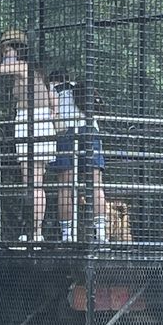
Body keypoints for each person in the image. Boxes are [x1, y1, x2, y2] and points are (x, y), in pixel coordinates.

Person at [0, 30, 57, 242]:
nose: (4, 54)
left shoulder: (21, 66)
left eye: (6, 50)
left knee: (32, 182)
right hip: (41, 123)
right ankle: (34, 232)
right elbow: (54, 103)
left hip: (31, 122)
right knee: (34, 182)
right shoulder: (36, 72)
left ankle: (35, 234)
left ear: (15, 49)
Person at [49, 72, 106, 242]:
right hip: (90, 130)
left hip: (65, 132)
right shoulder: (82, 88)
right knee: (96, 184)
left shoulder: (52, 89)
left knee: (65, 187)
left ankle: (68, 235)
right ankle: (101, 234)